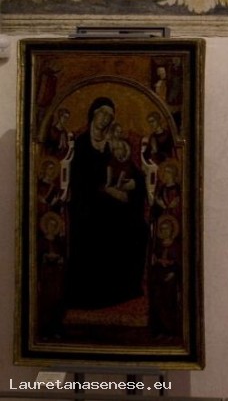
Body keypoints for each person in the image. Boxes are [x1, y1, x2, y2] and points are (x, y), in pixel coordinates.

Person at [65, 96, 148, 309]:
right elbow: (78, 180)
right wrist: (107, 190)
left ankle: (122, 289)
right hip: (88, 202)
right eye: (102, 113)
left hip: (114, 204)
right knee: (93, 226)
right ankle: (91, 294)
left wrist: (134, 184)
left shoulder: (113, 142)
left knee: (137, 228)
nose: (105, 118)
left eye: (110, 116)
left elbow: (131, 169)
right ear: (93, 113)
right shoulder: (81, 144)